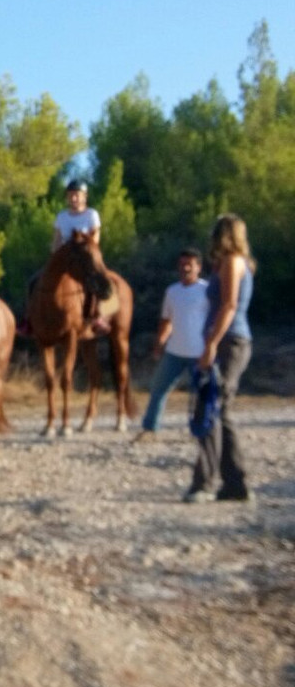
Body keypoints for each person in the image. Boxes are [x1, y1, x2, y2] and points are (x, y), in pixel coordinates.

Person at [183, 214, 255, 504]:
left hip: (229, 342)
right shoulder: (230, 263)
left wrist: (211, 344)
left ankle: (206, 482)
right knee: (219, 410)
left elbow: (229, 305)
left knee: (211, 408)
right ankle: (235, 483)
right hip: (228, 341)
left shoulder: (233, 262)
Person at [133, 248, 209, 442]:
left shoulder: (206, 290)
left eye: (189, 264)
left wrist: (212, 346)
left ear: (198, 267)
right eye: (182, 264)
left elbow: (214, 320)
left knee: (201, 393)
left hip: (199, 352)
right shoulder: (172, 291)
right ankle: (150, 428)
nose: (185, 268)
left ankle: (201, 431)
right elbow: (166, 321)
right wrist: (159, 343)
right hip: (175, 351)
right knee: (158, 387)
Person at [19, 178, 105, 336]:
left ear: (84, 196)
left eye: (77, 195)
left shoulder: (91, 214)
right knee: (34, 281)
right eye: (71, 195)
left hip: (85, 259)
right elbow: (57, 240)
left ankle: (97, 317)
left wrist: (86, 250)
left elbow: (95, 238)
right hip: (64, 259)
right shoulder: (62, 216)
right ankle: (29, 319)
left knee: (96, 282)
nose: (74, 198)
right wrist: (54, 255)